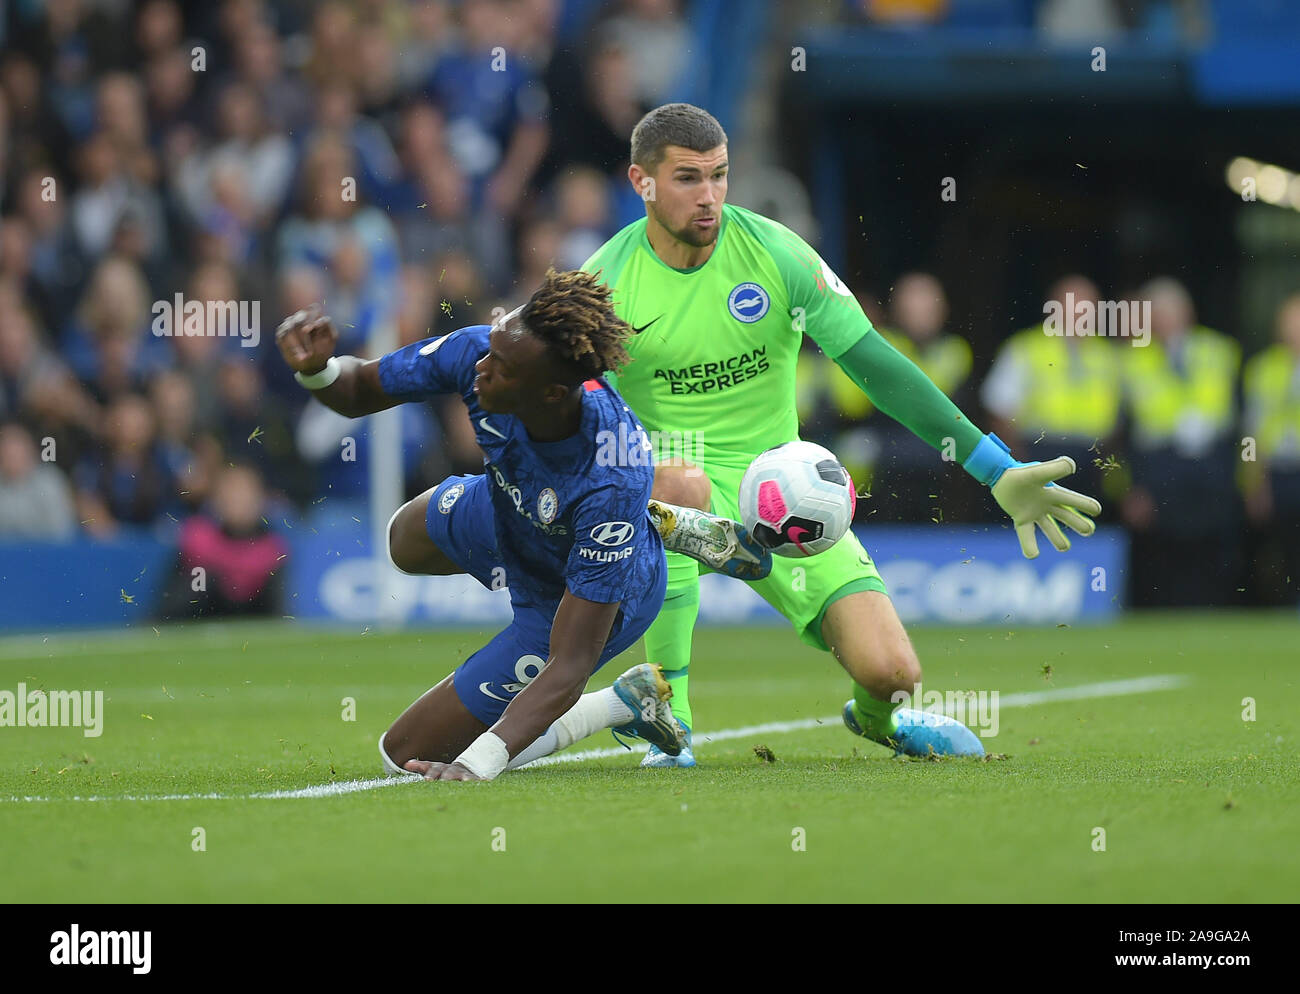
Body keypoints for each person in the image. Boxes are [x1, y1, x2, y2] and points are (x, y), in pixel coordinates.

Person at [580, 103, 1102, 765]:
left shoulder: (776, 255)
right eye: (687, 179)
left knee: (892, 670)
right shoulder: (601, 284)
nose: (709, 197)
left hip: (780, 484)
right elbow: (562, 406)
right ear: (641, 182)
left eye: (719, 176)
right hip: (670, 473)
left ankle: (878, 718)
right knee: (672, 482)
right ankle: (669, 717)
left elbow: (881, 369)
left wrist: (994, 467)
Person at [274, 268, 767, 782]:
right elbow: (360, 388)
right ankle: (656, 519)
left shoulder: (612, 470)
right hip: (508, 509)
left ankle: (623, 701)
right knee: (404, 542)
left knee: (402, 758)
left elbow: (571, 662)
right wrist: (319, 371)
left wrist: (478, 763)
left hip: (581, 594)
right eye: (489, 351)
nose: (481, 369)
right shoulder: (482, 354)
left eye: (501, 368)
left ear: (552, 394)